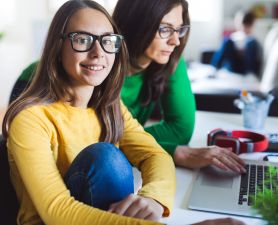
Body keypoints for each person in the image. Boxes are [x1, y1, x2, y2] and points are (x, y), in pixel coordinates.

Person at [11, 0, 245, 174]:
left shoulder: (167, 56)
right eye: (164, 29)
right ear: (137, 25)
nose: (175, 41)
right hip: (40, 96)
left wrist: (142, 147)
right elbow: (90, 147)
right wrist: (170, 151)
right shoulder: (96, 69)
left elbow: (180, 129)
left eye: (179, 30)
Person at [2, 1, 176, 224]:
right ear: (58, 47)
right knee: (106, 159)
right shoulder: (30, 118)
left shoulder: (109, 107)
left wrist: (154, 199)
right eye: (83, 40)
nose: (98, 52)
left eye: (107, 41)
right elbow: (57, 210)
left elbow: (156, 155)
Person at [211, 10, 262, 77]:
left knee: (250, 43)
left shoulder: (253, 41)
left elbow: (256, 60)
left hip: (246, 69)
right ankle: (214, 69)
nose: (245, 29)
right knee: (227, 41)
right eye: (244, 25)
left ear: (251, 25)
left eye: (248, 26)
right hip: (232, 68)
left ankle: (249, 75)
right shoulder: (232, 39)